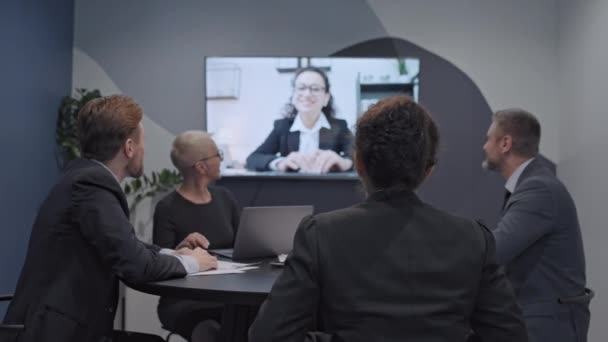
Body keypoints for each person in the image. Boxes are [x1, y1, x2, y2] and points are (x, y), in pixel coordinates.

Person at [249, 96, 528, 342]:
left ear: (358, 163)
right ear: (428, 171)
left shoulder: (320, 233)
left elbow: (269, 335)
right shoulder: (474, 239)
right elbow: (510, 335)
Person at [1, 95, 217, 342]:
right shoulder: (91, 185)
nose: (144, 150)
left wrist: (175, 255)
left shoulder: (82, 178)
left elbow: (126, 245)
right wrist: (194, 263)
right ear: (129, 147)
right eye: (142, 143)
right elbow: (137, 267)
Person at [482, 108, 590, 342]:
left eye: (489, 138)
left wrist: (449, 243)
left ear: (505, 143)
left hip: (548, 327)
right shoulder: (534, 184)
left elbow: (496, 249)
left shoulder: (538, 188)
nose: (484, 146)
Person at [153, 131, 240, 342]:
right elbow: (159, 265)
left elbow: (243, 246)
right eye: (217, 154)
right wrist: (180, 251)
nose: (221, 159)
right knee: (210, 330)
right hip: (185, 301)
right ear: (201, 167)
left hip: (230, 294)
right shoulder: (167, 208)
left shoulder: (225, 198)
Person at [246, 67, 353, 173]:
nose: (307, 94)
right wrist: (280, 163)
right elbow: (253, 159)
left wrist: (345, 163)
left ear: (326, 98)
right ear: (293, 95)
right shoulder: (282, 127)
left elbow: (361, 157)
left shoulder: (339, 127)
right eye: (301, 88)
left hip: (329, 188)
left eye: (315, 89)